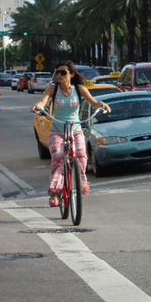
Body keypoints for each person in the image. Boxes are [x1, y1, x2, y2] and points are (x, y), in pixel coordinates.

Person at [31, 61, 111, 207]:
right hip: (57, 130)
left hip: (75, 129)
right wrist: (38, 106)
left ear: (71, 74)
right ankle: (55, 192)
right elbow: (43, 102)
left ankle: (82, 181)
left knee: (81, 154)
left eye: (63, 72)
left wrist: (102, 105)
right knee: (58, 157)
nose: (59, 75)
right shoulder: (52, 89)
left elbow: (94, 103)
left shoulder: (79, 89)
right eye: (57, 72)